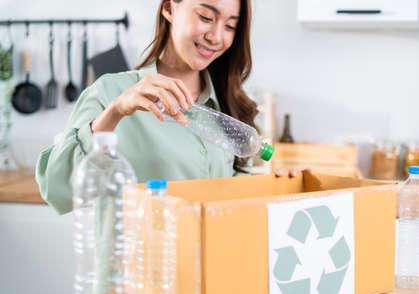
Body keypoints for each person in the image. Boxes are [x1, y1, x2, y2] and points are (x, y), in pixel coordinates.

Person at [36, 0, 297, 215]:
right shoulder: (111, 93)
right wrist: (115, 112)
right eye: (206, 17)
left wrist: (282, 190)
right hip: (138, 274)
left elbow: (233, 208)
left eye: (230, 26)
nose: (217, 36)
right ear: (170, 8)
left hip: (211, 272)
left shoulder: (229, 106)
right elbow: (57, 191)